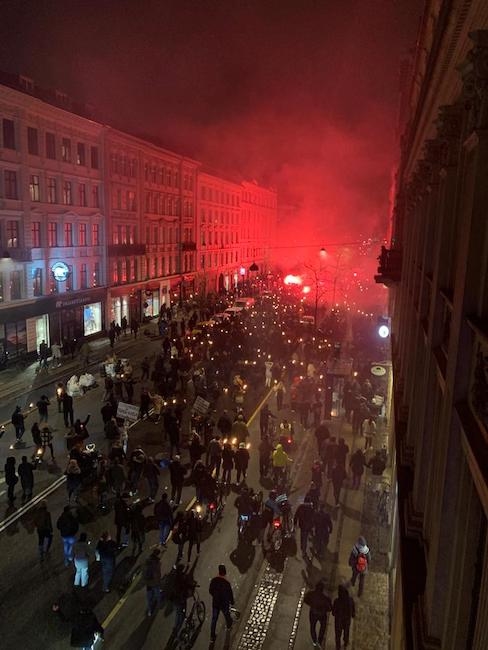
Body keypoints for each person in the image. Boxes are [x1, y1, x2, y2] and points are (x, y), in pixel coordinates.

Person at [303, 579, 332, 648]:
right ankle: (319, 641)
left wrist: (311, 604)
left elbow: (305, 600)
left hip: (313, 613)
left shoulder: (311, 594)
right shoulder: (325, 598)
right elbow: (330, 608)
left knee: (312, 627)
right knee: (323, 627)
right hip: (322, 614)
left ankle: (314, 641)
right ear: (322, 589)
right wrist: (324, 610)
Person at [209, 564, 234, 641]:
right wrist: (232, 601)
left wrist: (215, 595)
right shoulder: (226, 583)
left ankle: (212, 635)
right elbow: (230, 593)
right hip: (224, 603)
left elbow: (210, 590)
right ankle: (229, 625)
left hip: (216, 602)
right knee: (226, 614)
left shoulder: (214, 580)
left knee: (214, 619)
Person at [332, 584, 355, 649]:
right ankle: (345, 642)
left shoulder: (337, 601)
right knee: (346, 632)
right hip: (347, 621)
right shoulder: (350, 600)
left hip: (338, 621)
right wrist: (352, 614)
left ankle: (338, 646)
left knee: (338, 635)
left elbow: (333, 613)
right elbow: (353, 610)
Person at [143, 548, 162, 617]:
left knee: (149, 598)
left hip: (149, 584)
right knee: (157, 594)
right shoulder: (157, 563)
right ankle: (159, 604)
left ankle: (150, 610)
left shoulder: (148, 561)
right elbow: (158, 574)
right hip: (155, 583)